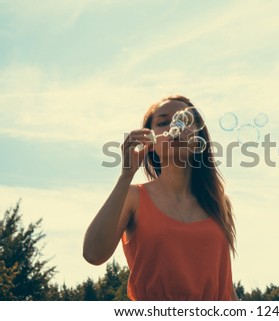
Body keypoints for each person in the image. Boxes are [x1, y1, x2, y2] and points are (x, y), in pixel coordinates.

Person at [83, 95, 238, 300]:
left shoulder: (218, 203)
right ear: (150, 141)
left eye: (185, 121)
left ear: (198, 137)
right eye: (164, 123)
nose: (176, 128)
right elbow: (93, 253)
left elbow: (225, 288)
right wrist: (126, 175)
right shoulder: (134, 197)